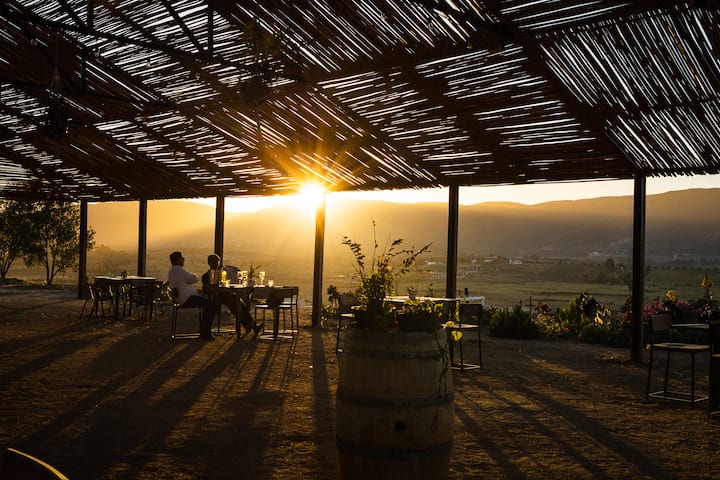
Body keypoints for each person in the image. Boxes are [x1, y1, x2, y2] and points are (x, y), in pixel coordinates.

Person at [201, 254, 260, 337]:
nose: (216, 264)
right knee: (216, 305)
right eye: (214, 262)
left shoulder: (221, 274)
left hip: (222, 296)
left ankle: (250, 324)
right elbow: (208, 289)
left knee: (237, 302)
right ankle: (249, 325)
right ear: (209, 263)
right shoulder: (206, 276)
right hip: (213, 297)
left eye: (217, 262)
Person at [167, 251, 218, 340]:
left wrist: (188, 280)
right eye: (182, 258)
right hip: (187, 298)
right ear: (178, 260)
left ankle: (204, 330)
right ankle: (205, 332)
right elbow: (194, 279)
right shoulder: (179, 270)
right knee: (211, 305)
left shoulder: (172, 271)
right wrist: (191, 278)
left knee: (208, 304)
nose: (184, 259)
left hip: (180, 298)